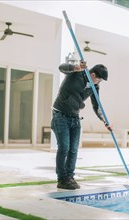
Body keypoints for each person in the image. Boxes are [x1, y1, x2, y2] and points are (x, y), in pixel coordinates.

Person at [51, 61, 110, 190]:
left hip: (75, 117)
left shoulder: (94, 87)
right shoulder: (76, 73)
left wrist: (104, 120)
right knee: (64, 148)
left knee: (73, 150)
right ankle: (62, 179)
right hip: (60, 115)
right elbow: (61, 67)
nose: (99, 83)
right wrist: (75, 67)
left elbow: (96, 105)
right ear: (93, 75)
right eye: (99, 80)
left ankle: (69, 178)